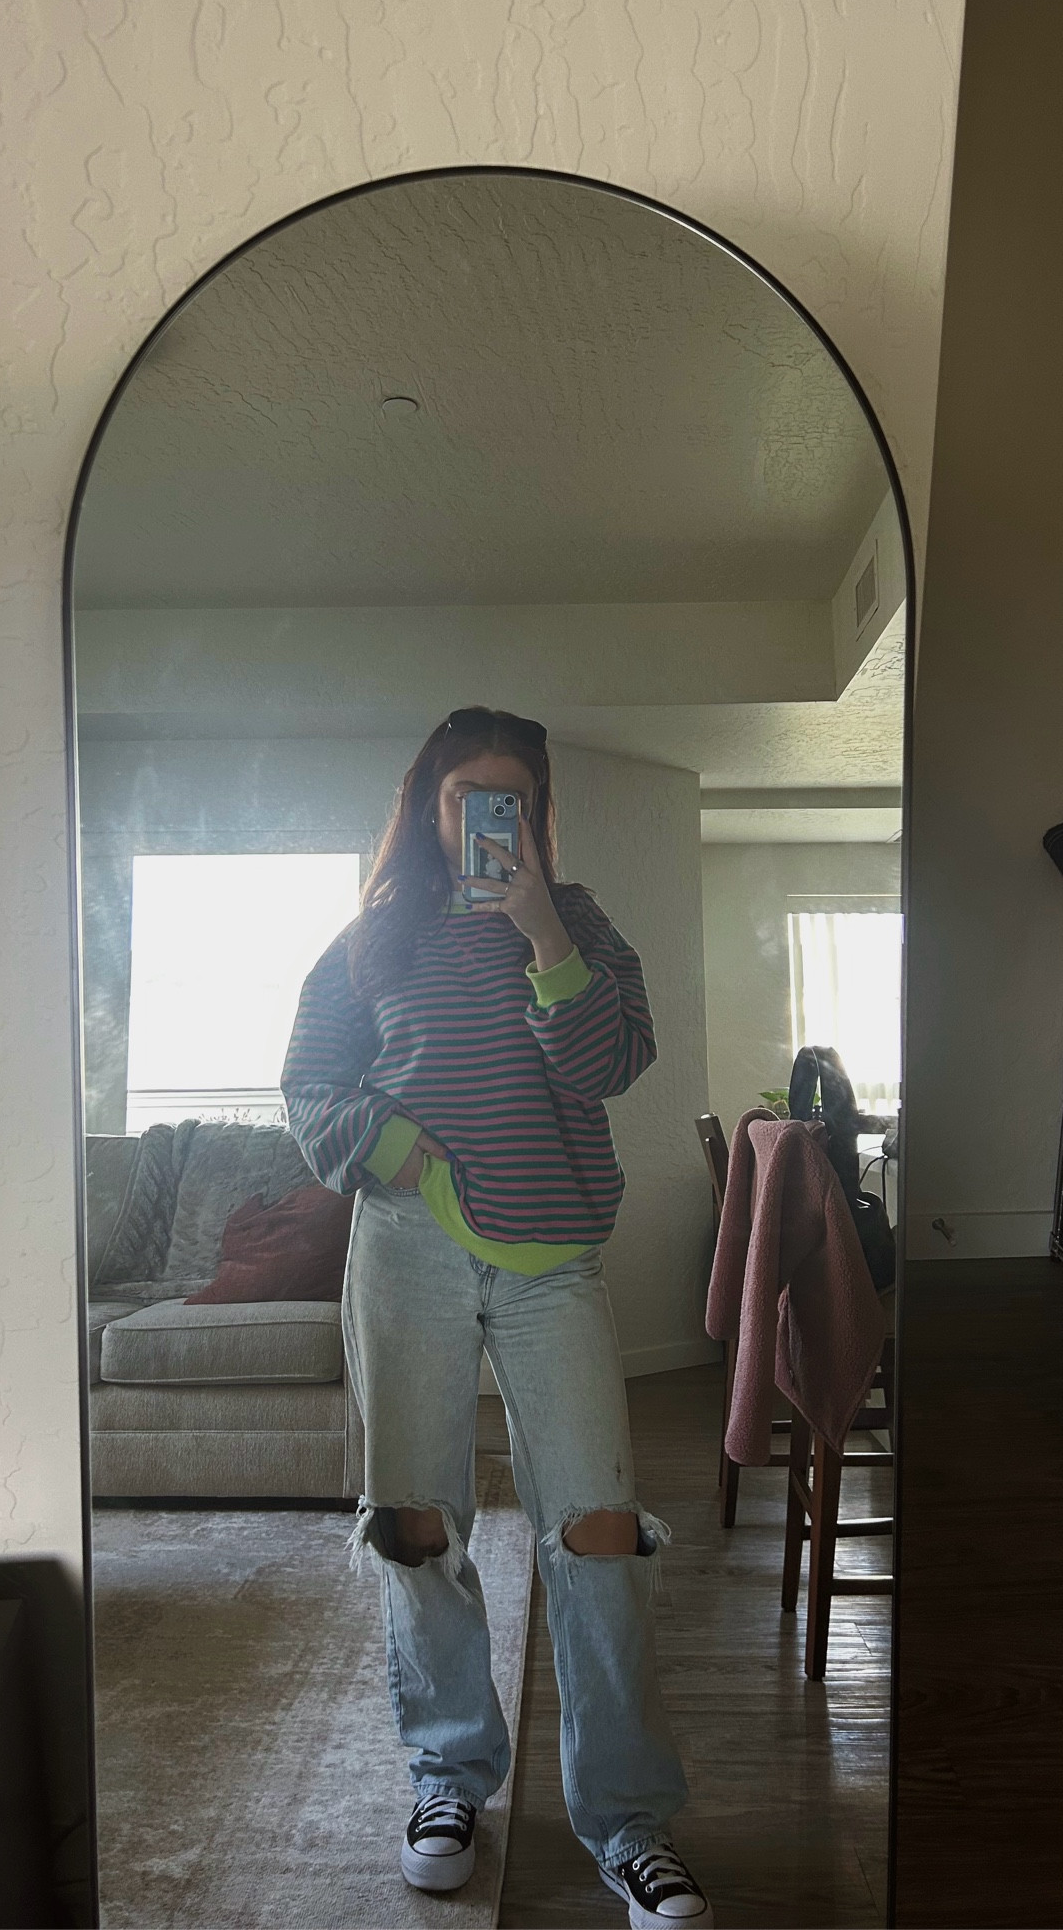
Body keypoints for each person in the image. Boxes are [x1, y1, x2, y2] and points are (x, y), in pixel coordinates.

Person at [282, 707, 712, 1929]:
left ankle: (627, 1823)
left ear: (535, 811)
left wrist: (542, 932)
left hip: (552, 1258)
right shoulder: (369, 940)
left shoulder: (579, 923)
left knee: (600, 1530)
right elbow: (309, 1088)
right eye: (466, 794)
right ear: (429, 805)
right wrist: (401, 1149)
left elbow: (608, 1065)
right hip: (406, 1247)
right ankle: (446, 1776)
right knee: (415, 1521)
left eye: (509, 798)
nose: (487, 816)